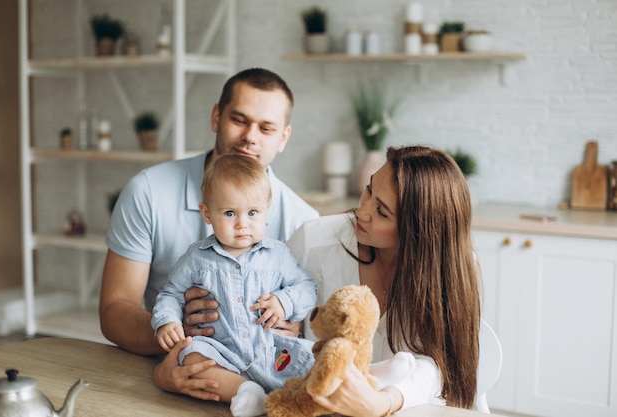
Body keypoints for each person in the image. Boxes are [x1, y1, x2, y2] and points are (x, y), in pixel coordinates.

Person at [172, 145, 481, 415]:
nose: (362, 211)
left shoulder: (448, 270)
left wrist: (381, 403)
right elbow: (259, 309)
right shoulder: (315, 239)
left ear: (419, 232)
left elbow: (435, 367)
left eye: (382, 212)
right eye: (370, 189)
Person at [99, 68, 319, 398]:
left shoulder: (304, 221)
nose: (250, 136)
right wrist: (180, 335)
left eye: (266, 128)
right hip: (178, 364)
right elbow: (114, 310)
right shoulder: (147, 191)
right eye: (239, 120)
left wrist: (296, 320)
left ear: (283, 137)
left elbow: (316, 313)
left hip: (270, 368)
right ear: (217, 116)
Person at [151, 154, 316, 417]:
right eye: (230, 213)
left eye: (252, 212)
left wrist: (284, 302)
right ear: (207, 213)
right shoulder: (196, 257)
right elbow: (171, 294)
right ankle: (246, 392)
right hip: (220, 351)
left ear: (266, 208)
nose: (242, 224)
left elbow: (306, 287)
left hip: (269, 347)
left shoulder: (277, 254)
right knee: (190, 356)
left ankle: (368, 377)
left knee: (318, 358)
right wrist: (167, 321)